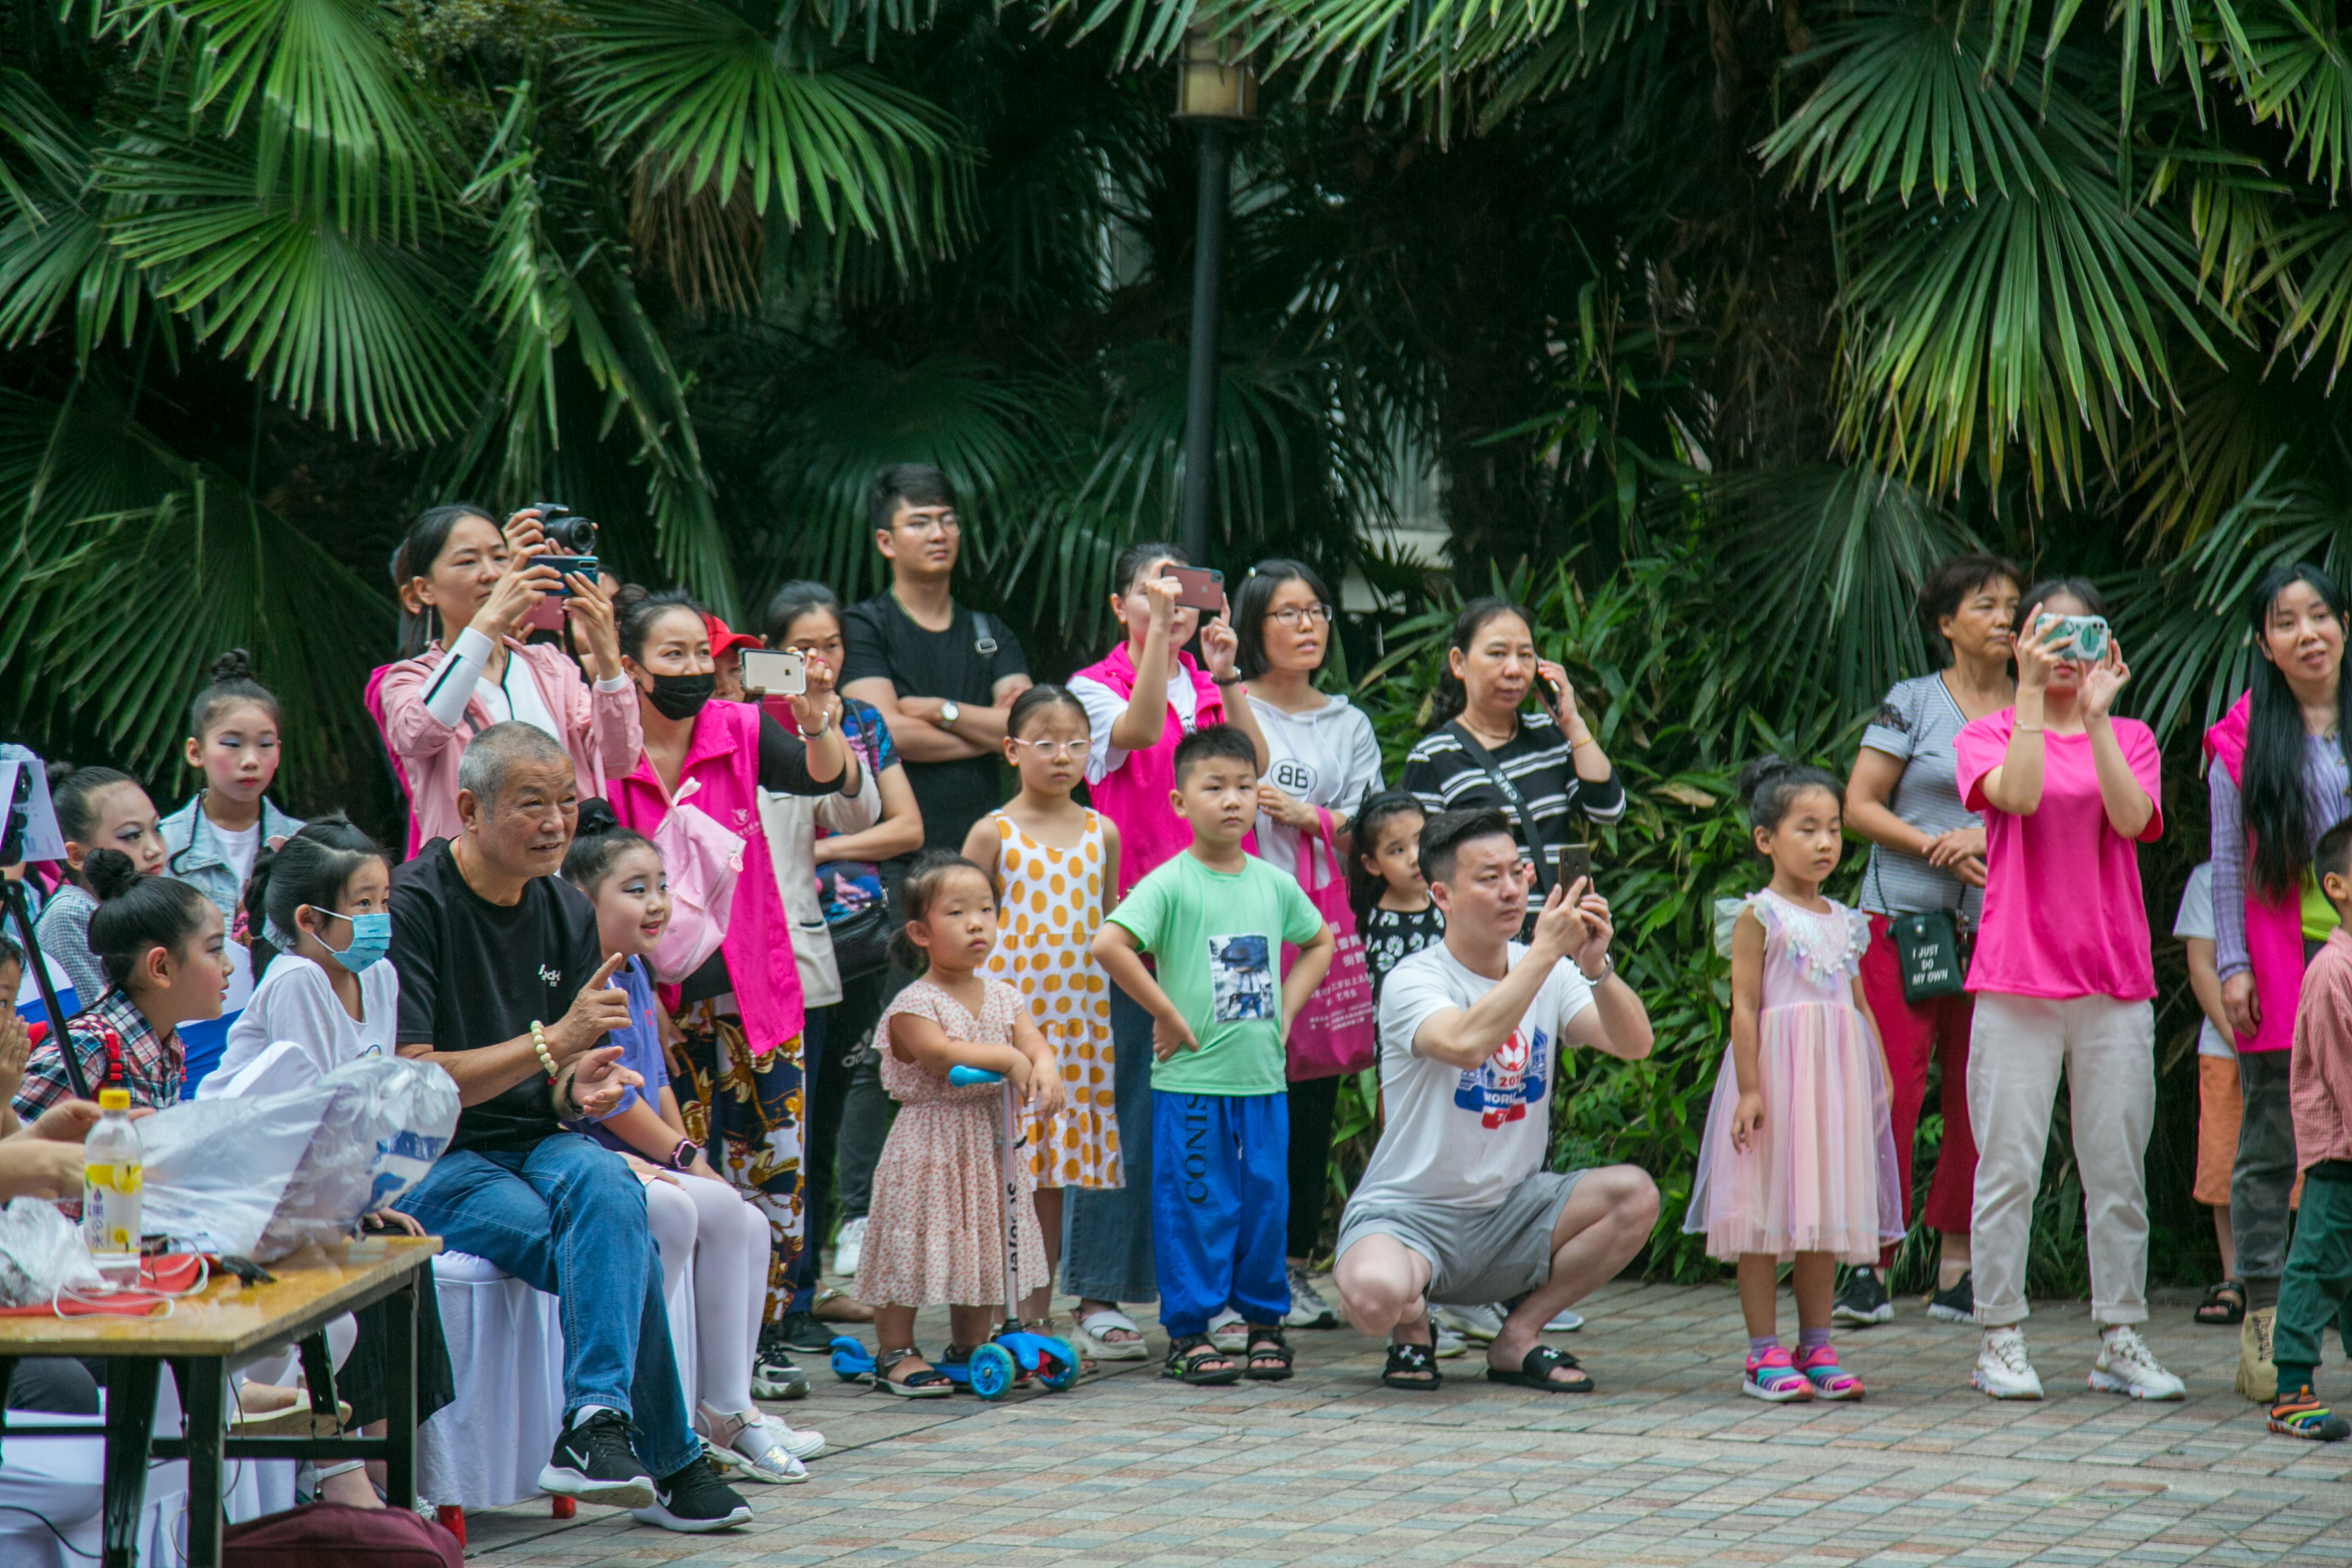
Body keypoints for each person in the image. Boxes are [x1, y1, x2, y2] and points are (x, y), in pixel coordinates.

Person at [389, 722, 752, 1534]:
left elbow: (556, 1074)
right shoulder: (416, 905)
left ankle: (596, 1422)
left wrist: (575, 1086)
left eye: (567, 802)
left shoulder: (562, 905)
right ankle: (667, 1458)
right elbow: (415, 1081)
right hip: (432, 1158)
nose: (557, 823)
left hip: (538, 1141)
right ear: (471, 809)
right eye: (533, 804)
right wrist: (553, 1045)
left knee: (608, 1184)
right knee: (615, 1248)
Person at [603, 587, 855, 1396]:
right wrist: (642, 1003)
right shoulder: (606, 748)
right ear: (631, 666)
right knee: (681, 1169)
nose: (690, 670)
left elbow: (825, 777)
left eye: (699, 655)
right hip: (657, 1004)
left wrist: (815, 719)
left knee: (773, 1169)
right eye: (670, 655)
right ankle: (680, 1352)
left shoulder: (739, 728)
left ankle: (762, 1343)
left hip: (755, 987)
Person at [1330, 808, 1656, 1393]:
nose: (1511, 890)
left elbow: (1635, 1044)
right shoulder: (1413, 979)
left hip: (1511, 1216)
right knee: (1376, 1298)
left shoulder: (1551, 972)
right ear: (1442, 895)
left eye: (1517, 872)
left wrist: (1596, 967)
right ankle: (1413, 1322)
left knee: (1635, 1196)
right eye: (1488, 878)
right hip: (1410, 1217)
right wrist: (1545, 954)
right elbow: (1464, 1044)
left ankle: (1518, 1337)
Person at [1955, 580, 2183, 1402]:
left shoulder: (2130, 735)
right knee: (2008, 1166)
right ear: (2021, 642)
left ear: (2105, 645)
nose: (2064, 651)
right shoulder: (1986, 733)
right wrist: (2027, 696)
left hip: (2113, 978)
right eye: (2047, 635)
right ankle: (1999, 1337)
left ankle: (2119, 1336)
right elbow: (2017, 797)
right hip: (2016, 977)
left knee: (2117, 1168)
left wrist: (2095, 720)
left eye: (2080, 636)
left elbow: (2129, 819)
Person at [561, 803, 824, 1481]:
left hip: (646, 1155)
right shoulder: (584, 980)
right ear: (583, 899)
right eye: (635, 889)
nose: (657, 904)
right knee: (702, 1208)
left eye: (661, 886)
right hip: (592, 1156)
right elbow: (615, 1097)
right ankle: (658, 1414)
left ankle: (727, 1408)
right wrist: (683, 1160)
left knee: (746, 1218)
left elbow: (657, 1082)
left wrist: (688, 1154)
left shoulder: (636, 972)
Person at [1061, 543, 1268, 1360]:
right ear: (1122, 607)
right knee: (1127, 1109)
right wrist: (1159, 642)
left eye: (1184, 592)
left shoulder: (1208, 683)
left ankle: (1209, 1295)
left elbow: (1255, 766)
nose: (1174, 606)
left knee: (1221, 1112)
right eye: (1155, 593)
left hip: (1231, 922)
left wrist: (1227, 676)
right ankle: (1099, 1294)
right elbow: (1141, 731)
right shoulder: (1093, 687)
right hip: (1142, 928)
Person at [1090, 726, 1334, 1384]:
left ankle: (1264, 1324)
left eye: (1245, 787)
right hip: (1191, 1083)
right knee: (1197, 1204)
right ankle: (1190, 1332)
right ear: (1180, 802)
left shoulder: (1273, 883)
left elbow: (1319, 942)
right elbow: (1110, 945)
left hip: (1262, 1082)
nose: (1232, 800)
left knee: (1266, 1204)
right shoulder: (1171, 883)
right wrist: (1166, 1012)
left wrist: (1286, 1013)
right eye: (1215, 787)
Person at [1838, 554, 2018, 1327]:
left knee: (1980, 1097)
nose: (2005, 618)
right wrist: (1935, 846)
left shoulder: (2039, 708)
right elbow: (1858, 806)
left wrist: (1984, 844)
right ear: (1946, 623)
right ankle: (1865, 1263)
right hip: (1901, 924)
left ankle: (1958, 1268)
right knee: (1890, 1090)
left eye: (2012, 605)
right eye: (1986, 605)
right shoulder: (1910, 702)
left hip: (1999, 931)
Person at [1684, 757, 1901, 1402]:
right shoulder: (1758, 916)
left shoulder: (1846, 919)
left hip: (1832, 1086)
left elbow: (1858, 1004)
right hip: (1776, 1083)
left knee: (1823, 1213)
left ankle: (1817, 1344)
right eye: (1807, 829)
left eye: (1833, 829)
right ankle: (1762, 1353)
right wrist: (1750, 1089)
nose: (1825, 842)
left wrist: (1879, 1073)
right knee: (1761, 1214)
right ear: (1766, 839)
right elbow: (1744, 1007)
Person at [2204, 562, 2352, 1403]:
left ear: (2344, 625)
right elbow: (2228, 862)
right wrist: (2232, 966)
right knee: (2271, 1142)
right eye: (2285, 622)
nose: (2308, 634)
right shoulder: (2241, 738)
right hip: (2286, 958)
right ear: (2264, 644)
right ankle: (2264, 1316)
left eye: (2320, 615)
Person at [757, 581, 916, 1349]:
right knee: (772, 1124)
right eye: (803, 647)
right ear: (767, 654)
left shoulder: (856, 720)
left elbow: (896, 822)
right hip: (764, 952)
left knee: (821, 1118)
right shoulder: (746, 722)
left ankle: (804, 1289)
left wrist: (819, 848)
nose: (820, 660)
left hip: (850, 940)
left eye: (832, 646)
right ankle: (769, 1298)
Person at [1234, 559, 1384, 1331]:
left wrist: (1309, 817)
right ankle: (1236, 1272)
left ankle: (1292, 1269)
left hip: (1316, 932)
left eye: (1317, 610)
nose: (1308, 625)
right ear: (1253, 625)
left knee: (1311, 1096)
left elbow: (1372, 828)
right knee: (1239, 1088)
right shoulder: (1227, 705)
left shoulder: (1347, 723)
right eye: (1287, 613)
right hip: (1238, 931)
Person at [856, 852, 1062, 1395]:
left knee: (984, 1242)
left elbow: (1033, 1040)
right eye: (957, 913)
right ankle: (895, 1350)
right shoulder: (914, 1004)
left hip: (990, 1141)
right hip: (930, 1145)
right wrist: (1009, 1059)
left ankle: (971, 1346)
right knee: (910, 1242)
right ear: (921, 933)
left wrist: (1043, 1065)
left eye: (986, 910)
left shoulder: (1004, 995)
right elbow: (942, 1054)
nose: (976, 924)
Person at [961, 685, 1123, 1338]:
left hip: (1080, 1027)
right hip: (1006, 1026)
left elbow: (1110, 925)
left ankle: (1034, 1318)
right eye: (1047, 743)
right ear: (1012, 750)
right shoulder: (992, 832)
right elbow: (956, 926)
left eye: (1077, 744)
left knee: (1052, 1172)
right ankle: (985, 1315)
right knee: (998, 1166)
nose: (1062, 756)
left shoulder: (1102, 832)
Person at [376, 502, 638, 855]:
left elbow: (619, 760)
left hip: (564, 878)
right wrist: (490, 621)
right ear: (422, 592)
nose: (490, 574)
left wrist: (607, 656)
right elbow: (420, 734)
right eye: (467, 562)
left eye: (500, 558)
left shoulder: (551, 667)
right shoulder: (407, 679)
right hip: (469, 884)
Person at [837, 464, 1033, 855]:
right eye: (920, 523)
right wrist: (992, 738)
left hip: (985, 855)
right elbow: (886, 734)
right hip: (897, 857)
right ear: (886, 542)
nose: (939, 534)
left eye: (948, 521)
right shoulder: (863, 627)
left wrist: (940, 711)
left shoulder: (989, 632)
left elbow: (1030, 729)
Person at [1399, 598, 1625, 891]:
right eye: (1497, 654)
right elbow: (1422, 867)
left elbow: (1608, 810)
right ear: (1459, 663)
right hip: (1486, 921)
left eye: (1526, 655)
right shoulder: (1433, 757)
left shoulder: (1549, 737)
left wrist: (1573, 725)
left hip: (1558, 916)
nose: (1515, 670)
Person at [15, 849, 228, 1116]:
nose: (229, 966)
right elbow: (13, 1136)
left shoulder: (167, 1043)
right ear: (160, 968)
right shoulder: (86, 1048)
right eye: (215, 949)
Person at [201, 815, 396, 1095]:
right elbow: (311, 1105)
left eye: (384, 901)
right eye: (364, 903)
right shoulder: (296, 979)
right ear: (308, 919)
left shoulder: (380, 974)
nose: (380, 916)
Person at [2266, 820, 2352, 1442]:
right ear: (2337, 887)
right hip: (2339, 1155)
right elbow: (2342, 1071)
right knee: (2317, 1262)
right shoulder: (2331, 972)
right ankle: (2291, 1389)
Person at [2177, 862, 2249, 1326]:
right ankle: (2235, 1276)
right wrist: (2238, 1039)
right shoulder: (2210, 877)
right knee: (2227, 1163)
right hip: (2226, 1045)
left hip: (2300, 1042)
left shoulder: (2311, 870)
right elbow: (2201, 965)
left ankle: (2304, 1282)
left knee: (2306, 1167)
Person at [36, 766, 167, 1011]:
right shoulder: (70, 914)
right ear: (76, 855)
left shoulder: (149, 906)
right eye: (131, 835)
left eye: (157, 829)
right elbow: (98, 1023)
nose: (155, 849)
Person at [1352, 793, 1444, 1004]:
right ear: (1373, 864)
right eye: (1397, 851)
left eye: (1421, 842)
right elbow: (1392, 1003)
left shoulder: (1437, 895)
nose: (1414, 858)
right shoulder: (1387, 931)